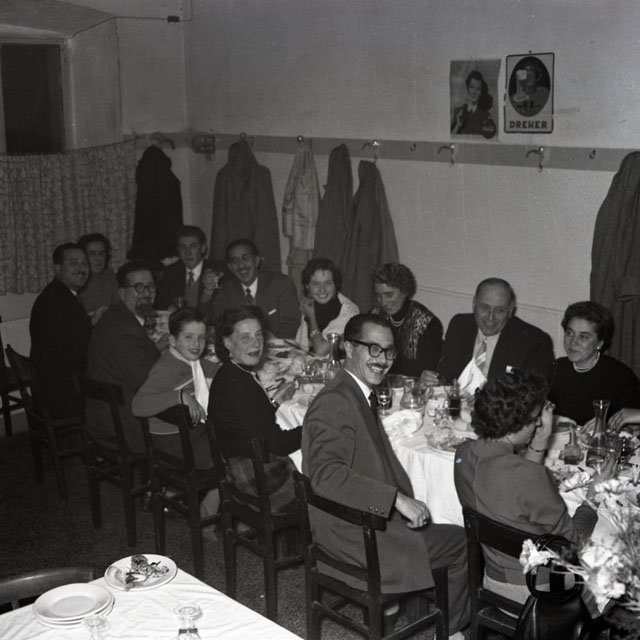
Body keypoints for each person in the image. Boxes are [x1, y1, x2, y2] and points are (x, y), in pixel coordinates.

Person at [302, 314, 469, 638]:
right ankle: (450, 632)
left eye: (389, 351)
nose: (383, 360)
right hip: (355, 535)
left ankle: (393, 610)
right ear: (348, 347)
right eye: (373, 349)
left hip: (358, 522)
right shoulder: (336, 401)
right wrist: (396, 500)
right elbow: (326, 475)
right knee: (461, 543)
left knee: (433, 523)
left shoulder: (353, 391)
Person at [454, 369, 614, 606]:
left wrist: (540, 441)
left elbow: (513, 485)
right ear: (516, 424)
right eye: (534, 418)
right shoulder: (532, 476)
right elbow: (573, 544)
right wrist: (593, 498)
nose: (539, 422)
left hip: (492, 582)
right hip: (539, 595)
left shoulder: (463, 454)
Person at [208, 306, 298, 512]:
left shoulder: (231, 373)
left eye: (258, 335)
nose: (256, 343)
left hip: (240, 467)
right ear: (227, 342)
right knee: (324, 484)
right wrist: (315, 425)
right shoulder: (238, 385)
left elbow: (250, 419)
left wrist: (274, 402)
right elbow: (279, 444)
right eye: (245, 337)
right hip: (259, 480)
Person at [132, 308, 220, 519]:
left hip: (183, 437)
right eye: (188, 337)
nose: (196, 343)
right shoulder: (168, 368)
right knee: (235, 450)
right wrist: (179, 395)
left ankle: (171, 493)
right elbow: (138, 405)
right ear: (172, 340)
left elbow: (206, 368)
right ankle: (208, 511)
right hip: (174, 445)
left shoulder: (186, 359)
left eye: (201, 337)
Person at [86, 261, 163, 453]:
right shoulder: (126, 329)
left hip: (105, 414)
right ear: (121, 293)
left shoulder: (116, 315)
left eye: (150, 286)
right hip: (124, 424)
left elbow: (137, 359)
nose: (147, 293)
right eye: (138, 287)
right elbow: (150, 382)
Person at [433, 277, 554, 384]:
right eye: (484, 307)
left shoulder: (534, 342)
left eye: (500, 310)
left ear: (510, 310)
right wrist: (435, 379)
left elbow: (532, 395)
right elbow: (445, 374)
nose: (490, 318)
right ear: (474, 304)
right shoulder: (460, 325)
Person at [548, 301, 640, 426]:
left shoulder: (621, 377)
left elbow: (633, 428)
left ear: (600, 343)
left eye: (583, 337)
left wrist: (608, 427)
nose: (573, 342)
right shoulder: (555, 368)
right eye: (569, 333)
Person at [29, 243, 92, 418]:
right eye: (73, 263)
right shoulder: (57, 302)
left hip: (53, 384)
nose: (82, 269)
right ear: (57, 268)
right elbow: (77, 354)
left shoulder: (58, 294)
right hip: (63, 394)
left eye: (85, 263)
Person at [212, 239, 300, 339]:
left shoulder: (281, 284)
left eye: (245, 258)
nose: (241, 265)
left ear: (257, 261)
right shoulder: (225, 291)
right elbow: (220, 328)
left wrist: (267, 340)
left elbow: (291, 326)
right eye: (235, 261)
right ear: (230, 267)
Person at [371, 263, 442, 377]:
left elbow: (428, 372)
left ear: (404, 291)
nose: (383, 302)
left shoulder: (427, 323)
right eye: (378, 296)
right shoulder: (374, 316)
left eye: (389, 295)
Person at [154, 225, 226, 313]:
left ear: (203, 248)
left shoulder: (218, 270)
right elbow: (160, 307)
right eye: (183, 247)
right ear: (178, 250)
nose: (188, 252)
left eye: (193, 246)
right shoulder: (170, 273)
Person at [295, 257, 359, 356]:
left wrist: (311, 317)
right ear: (307, 286)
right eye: (316, 284)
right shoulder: (310, 303)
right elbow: (301, 345)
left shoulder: (349, 310)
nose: (322, 290)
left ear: (335, 284)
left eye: (327, 283)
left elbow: (320, 350)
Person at [77, 233, 119, 325]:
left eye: (101, 253)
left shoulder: (110, 276)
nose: (98, 258)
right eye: (92, 254)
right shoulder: (76, 280)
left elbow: (119, 305)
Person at [451, 70, 494, 136]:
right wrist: (458, 126)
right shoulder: (457, 112)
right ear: (467, 88)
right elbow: (448, 139)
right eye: (471, 87)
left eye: (478, 89)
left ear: (481, 92)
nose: (474, 92)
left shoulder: (486, 116)